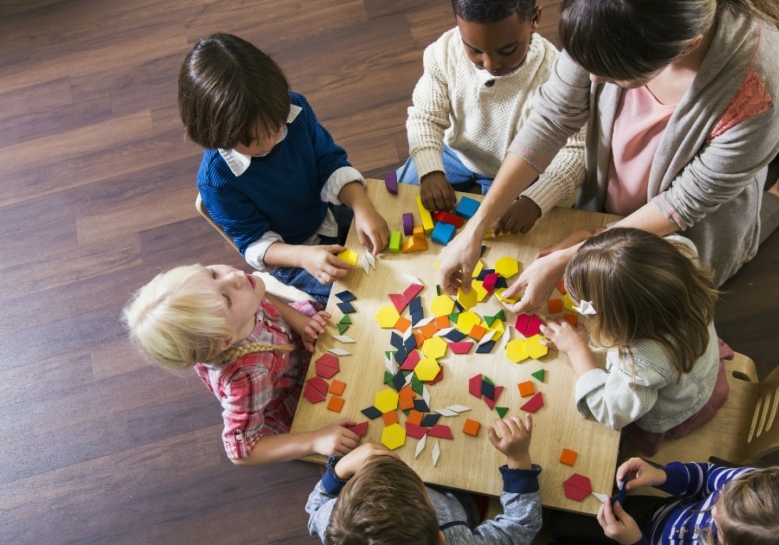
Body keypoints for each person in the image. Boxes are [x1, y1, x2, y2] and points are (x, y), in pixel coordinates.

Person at [437, 0, 779, 312]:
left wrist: (576, 252)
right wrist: (477, 226)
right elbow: (554, 116)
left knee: (729, 245)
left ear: (683, 49)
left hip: (689, 213)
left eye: (609, 76)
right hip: (623, 180)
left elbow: (683, 205)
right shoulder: (601, 16)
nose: (592, 81)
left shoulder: (760, 91)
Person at [178, 33, 389, 305]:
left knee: (389, 247)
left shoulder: (295, 109)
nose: (270, 141)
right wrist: (304, 257)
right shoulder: (217, 182)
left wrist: (363, 208)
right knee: (360, 299)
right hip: (291, 256)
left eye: (276, 126)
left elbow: (329, 162)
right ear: (214, 133)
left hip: (328, 211)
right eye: (252, 141)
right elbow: (254, 242)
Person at [122, 264, 361, 466]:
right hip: (286, 388)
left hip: (291, 345)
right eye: (225, 298)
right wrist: (315, 441)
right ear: (226, 340)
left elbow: (262, 296)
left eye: (212, 274)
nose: (234, 277)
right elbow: (242, 452)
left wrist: (300, 323)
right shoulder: (246, 379)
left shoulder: (244, 299)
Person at [397, 0, 585, 233]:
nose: (490, 64)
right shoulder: (444, 51)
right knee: (399, 197)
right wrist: (431, 170)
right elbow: (425, 117)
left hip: (518, 172)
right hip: (455, 154)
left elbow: (576, 151)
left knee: (519, 233)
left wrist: (535, 200)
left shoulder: (556, 77)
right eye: (474, 50)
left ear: (534, 19)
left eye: (507, 50)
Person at [540, 228, 728, 455]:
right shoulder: (680, 253)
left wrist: (576, 348)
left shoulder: (641, 361)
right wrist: (581, 244)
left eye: (587, 306)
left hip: (683, 407)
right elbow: (626, 252)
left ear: (619, 322)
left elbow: (612, 412)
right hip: (703, 364)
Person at [306, 415, 541, 545]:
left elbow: (315, 506)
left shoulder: (334, 526)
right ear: (440, 539)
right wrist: (518, 459)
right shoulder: (456, 541)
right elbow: (519, 526)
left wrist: (341, 469)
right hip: (463, 503)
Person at [550, 457, 779, 545]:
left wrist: (634, 543)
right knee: (561, 521)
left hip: (641, 540)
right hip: (658, 515)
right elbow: (706, 477)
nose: (711, 507)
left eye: (716, 531)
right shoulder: (747, 483)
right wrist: (663, 477)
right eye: (719, 501)